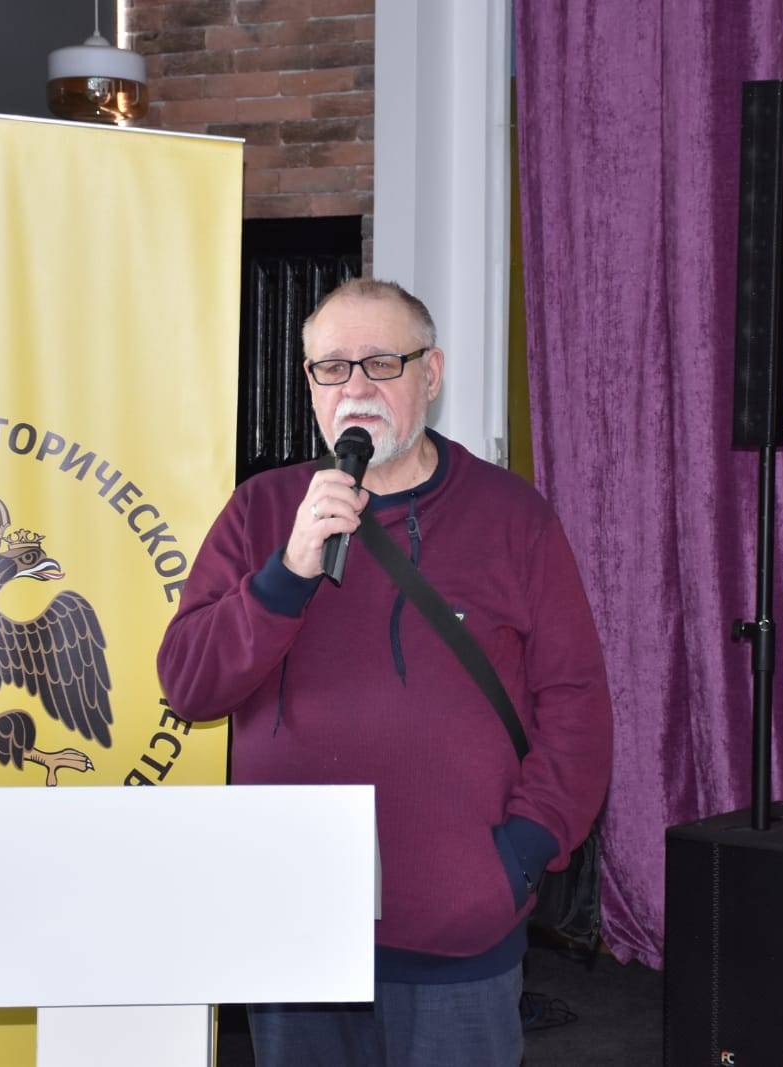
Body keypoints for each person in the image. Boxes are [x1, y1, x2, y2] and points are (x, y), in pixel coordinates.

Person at [157, 278, 613, 1066]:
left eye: (381, 362)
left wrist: (520, 853)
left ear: (430, 373)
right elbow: (189, 684)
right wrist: (286, 573)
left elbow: (576, 706)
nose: (356, 387)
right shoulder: (262, 510)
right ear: (309, 383)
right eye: (332, 367)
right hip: (294, 927)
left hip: (458, 932)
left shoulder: (515, 517)